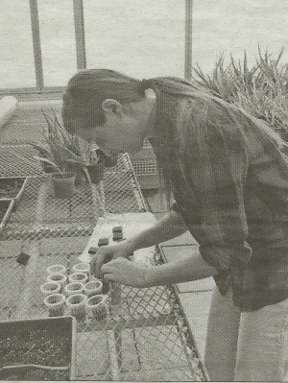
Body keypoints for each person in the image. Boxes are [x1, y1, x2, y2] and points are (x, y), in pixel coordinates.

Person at [62, 69, 288, 381]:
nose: (107, 152)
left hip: (277, 260)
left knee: (257, 372)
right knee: (219, 366)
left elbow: (225, 252)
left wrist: (145, 276)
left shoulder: (201, 127)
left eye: (98, 139)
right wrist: (133, 244)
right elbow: (190, 210)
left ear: (113, 108)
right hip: (248, 256)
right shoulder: (165, 117)